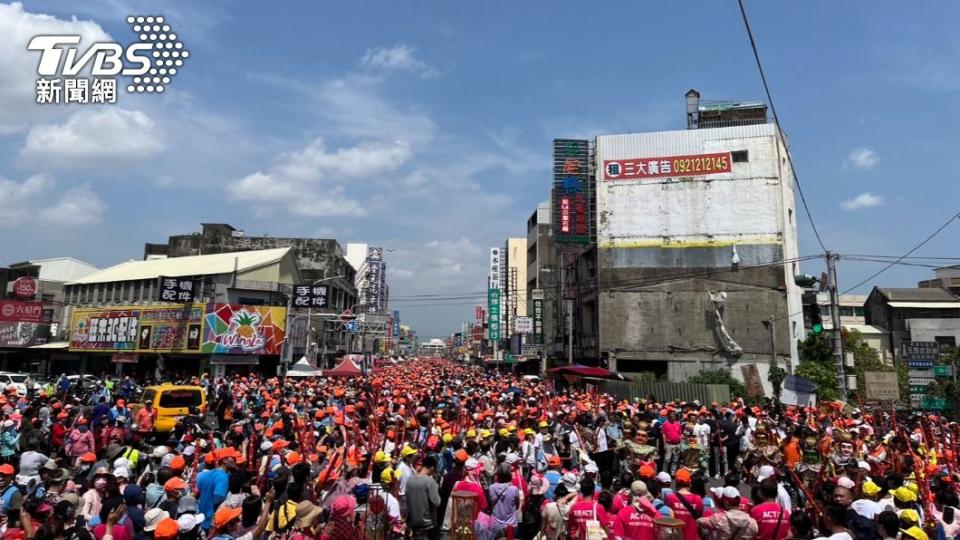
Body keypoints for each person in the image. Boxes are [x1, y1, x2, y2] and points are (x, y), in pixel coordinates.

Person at [405, 454, 441, 540]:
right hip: (428, 525)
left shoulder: (410, 480)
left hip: (413, 522)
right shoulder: (430, 482)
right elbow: (437, 502)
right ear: (432, 468)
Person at [664, 469, 705, 540]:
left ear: (676, 482)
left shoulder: (670, 498)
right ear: (689, 482)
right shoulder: (697, 499)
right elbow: (700, 518)